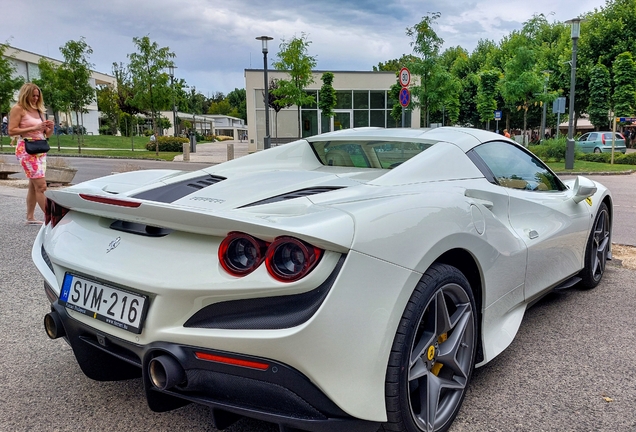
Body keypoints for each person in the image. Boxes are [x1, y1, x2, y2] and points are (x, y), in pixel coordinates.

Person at [8, 83, 54, 225]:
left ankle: (30, 217)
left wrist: (50, 128)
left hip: (40, 148)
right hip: (27, 149)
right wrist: (35, 127)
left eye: (37, 95)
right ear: (25, 94)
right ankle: (52, 220)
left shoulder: (39, 110)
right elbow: (11, 131)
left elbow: (47, 135)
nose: (35, 98)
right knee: (41, 186)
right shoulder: (18, 109)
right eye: (32, 95)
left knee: (34, 185)